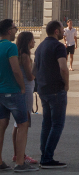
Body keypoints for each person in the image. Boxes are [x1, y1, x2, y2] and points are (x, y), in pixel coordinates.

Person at [34, 20, 69, 169]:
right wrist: (66, 84)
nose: (64, 31)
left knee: (46, 124)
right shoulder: (58, 46)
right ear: (56, 31)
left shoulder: (40, 46)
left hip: (43, 89)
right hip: (56, 90)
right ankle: (47, 158)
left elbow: (34, 69)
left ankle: (44, 155)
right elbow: (63, 68)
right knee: (57, 124)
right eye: (62, 29)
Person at [0, 19, 32, 172]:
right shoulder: (11, 47)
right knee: (22, 124)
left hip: (0, 91)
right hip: (12, 90)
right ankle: (20, 162)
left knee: (1, 126)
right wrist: (22, 87)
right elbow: (15, 69)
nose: (15, 31)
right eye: (14, 28)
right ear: (8, 31)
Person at [11, 31, 36, 167]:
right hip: (26, 90)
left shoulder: (18, 54)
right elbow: (30, 75)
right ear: (27, 41)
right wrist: (37, 71)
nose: (34, 42)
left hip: (21, 90)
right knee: (23, 123)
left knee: (18, 123)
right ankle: (21, 155)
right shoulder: (25, 56)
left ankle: (17, 154)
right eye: (32, 40)